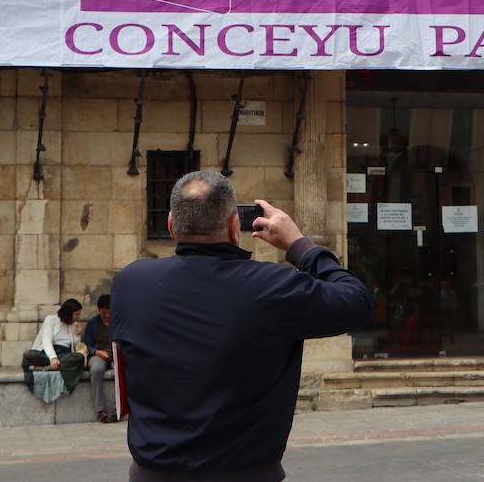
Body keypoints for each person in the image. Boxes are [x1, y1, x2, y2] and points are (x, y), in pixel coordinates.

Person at [111, 171, 374, 481]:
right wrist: (299, 245)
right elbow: (356, 301)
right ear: (235, 227)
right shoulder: (272, 287)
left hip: (152, 474)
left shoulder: (130, 282)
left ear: (171, 225)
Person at [22, 297, 85, 402]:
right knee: (28, 354)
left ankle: (49, 367)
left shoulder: (73, 325)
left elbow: (74, 346)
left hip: (63, 355)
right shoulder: (50, 319)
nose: (78, 317)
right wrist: (52, 358)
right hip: (47, 354)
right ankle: (50, 365)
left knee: (79, 357)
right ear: (69, 313)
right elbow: (46, 340)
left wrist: (77, 335)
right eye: (77, 314)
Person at [83, 293, 118, 423]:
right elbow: (86, 344)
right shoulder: (93, 323)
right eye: (104, 312)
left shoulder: (118, 322)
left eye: (109, 312)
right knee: (96, 369)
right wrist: (97, 352)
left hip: (115, 353)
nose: (107, 315)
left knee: (121, 371)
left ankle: (118, 409)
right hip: (98, 353)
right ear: (99, 310)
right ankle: (100, 410)